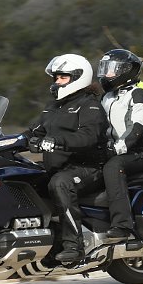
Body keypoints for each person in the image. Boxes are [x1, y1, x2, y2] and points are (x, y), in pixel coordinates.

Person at [23, 53, 108, 264]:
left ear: (78, 77)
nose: (57, 82)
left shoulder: (90, 105)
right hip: (59, 166)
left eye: (62, 77)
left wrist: (56, 141)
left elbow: (89, 136)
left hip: (88, 168)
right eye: (55, 78)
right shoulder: (52, 108)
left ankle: (74, 245)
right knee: (23, 176)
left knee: (60, 183)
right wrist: (1, 143)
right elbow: (33, 132)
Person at [97, 48, 143, 243]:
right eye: (104, 69)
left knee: (113, 166)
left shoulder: (138, 94)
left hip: (137, 152)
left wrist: (119, 147)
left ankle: (123, 226)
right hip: (113, 149)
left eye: (111, 69)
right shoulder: (107, 97)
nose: (106, 74)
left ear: (126, 71)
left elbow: (136, 128)